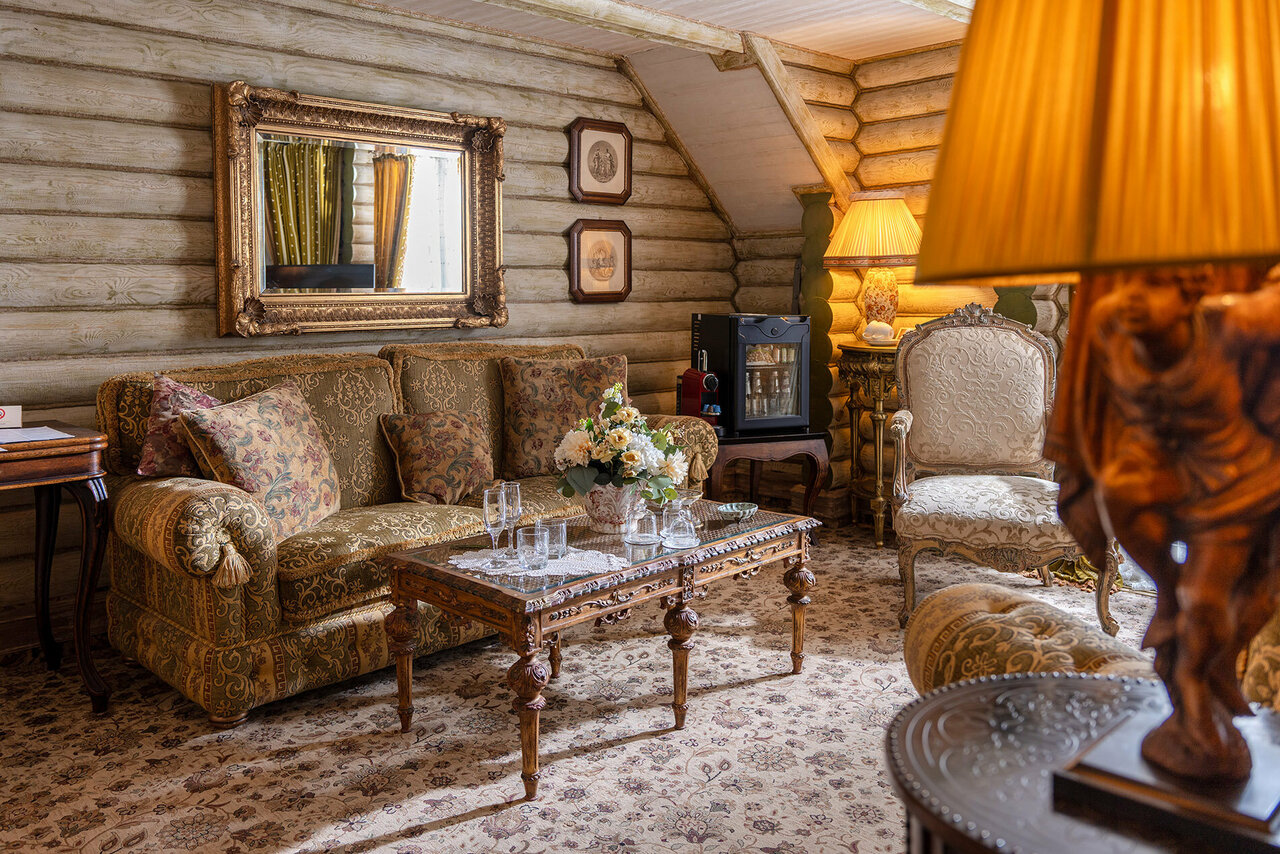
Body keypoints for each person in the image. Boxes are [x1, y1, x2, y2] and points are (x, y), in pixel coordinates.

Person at [1054, 264, 1280, 781]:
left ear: (1191, 294)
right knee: (1118, 489)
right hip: (1165, 467)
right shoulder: (1110, 324)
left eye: (1154, 284)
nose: (1133, 297)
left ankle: (1196, 686)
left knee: (1206, 600)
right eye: (1129, 282)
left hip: (1237, 477)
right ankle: (1168, 597)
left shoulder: (1228, 325)